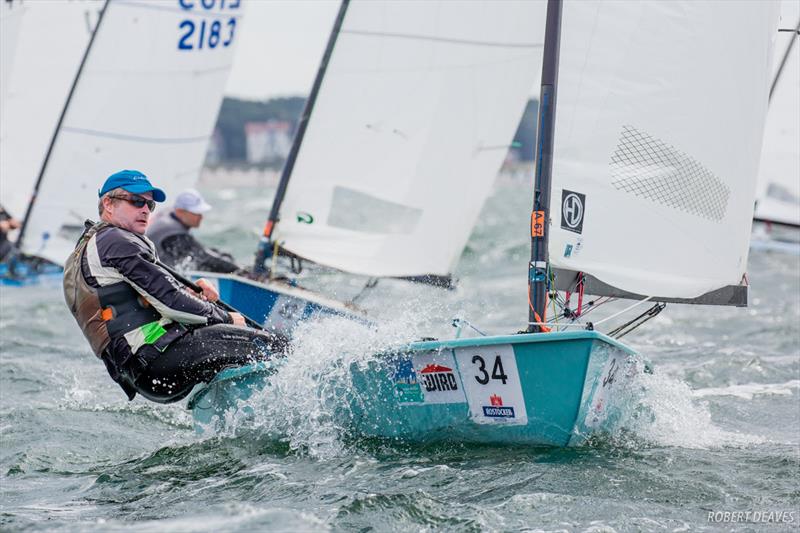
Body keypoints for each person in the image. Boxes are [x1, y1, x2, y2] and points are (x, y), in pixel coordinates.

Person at [63, 170, 287, 403]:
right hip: (157, 358)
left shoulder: (96, 243)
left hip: (141, 369)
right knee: (275, 344)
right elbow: (172, 303)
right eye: (136, 201)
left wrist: (193, 296)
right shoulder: (116, 241)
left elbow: (148, 298)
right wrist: (227, 318)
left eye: (149, 205)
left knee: (240, 347)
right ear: (108, 204)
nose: (145, 210)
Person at [146, 188, 239, 273]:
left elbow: (197, 249)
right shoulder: (172, 235)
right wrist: (237, 270)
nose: (201, 216)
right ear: (180, 212)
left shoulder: (170, 217)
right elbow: (203, 258)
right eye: (196, 212)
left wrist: (222, 255)